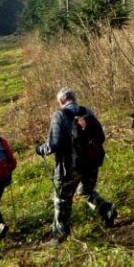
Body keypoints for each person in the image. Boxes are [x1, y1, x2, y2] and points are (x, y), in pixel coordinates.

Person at [36, 87, 117, 245]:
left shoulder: (59, 115)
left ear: (60, 101)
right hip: (91, 163)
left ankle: (59, 236)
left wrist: (40, 149)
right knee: (85, 190)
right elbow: (101, 137)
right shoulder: (86, 111)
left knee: (62, 200)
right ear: (74, 98)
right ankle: (107, 210)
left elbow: (54, 144)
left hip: (69, 167)